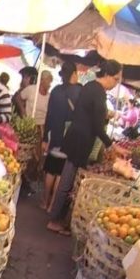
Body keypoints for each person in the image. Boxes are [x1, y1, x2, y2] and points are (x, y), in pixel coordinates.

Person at [47, 60, 127, 235]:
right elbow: (98, 125)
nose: (116, 83)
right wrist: (112, 145)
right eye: (115, 79)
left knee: (67, 181)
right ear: (106, 75)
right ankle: (54, 219)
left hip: (76, 138)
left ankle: (57, 217)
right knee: (67, 182)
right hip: (80, 141)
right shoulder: (98, 93)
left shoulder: (90, 86)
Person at [41, 61, 82, 211]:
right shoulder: (79, 91)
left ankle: (44, 201)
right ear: (73, 74)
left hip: (55, 135)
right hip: (69, 138)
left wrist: (45, 138)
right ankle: (52, 205)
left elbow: (49, 115)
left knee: (51, 169)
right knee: (60, 173)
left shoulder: (56, 91)